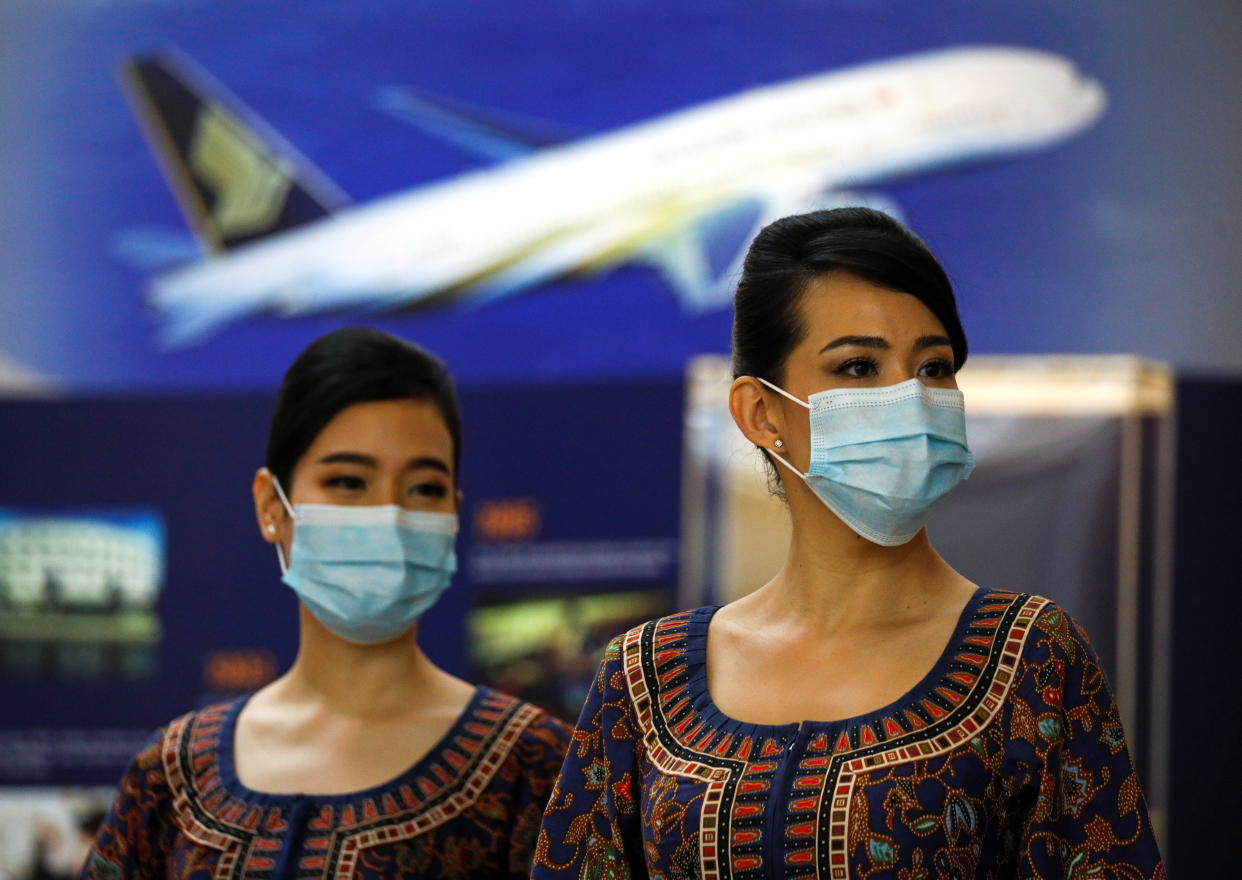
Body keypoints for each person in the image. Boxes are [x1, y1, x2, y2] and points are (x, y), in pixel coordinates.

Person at [532, 209, 1164, 879]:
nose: (910, 398)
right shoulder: (644, 677)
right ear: (760, 413)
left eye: (934, 366)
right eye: (859, 367)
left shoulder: (1032, 657)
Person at [80, 327, 570, 880]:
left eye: (424, 489)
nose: (389, 515)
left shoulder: (539, 770)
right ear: (273, 506)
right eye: (348, 481)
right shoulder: (170, 774)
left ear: (453, 513)